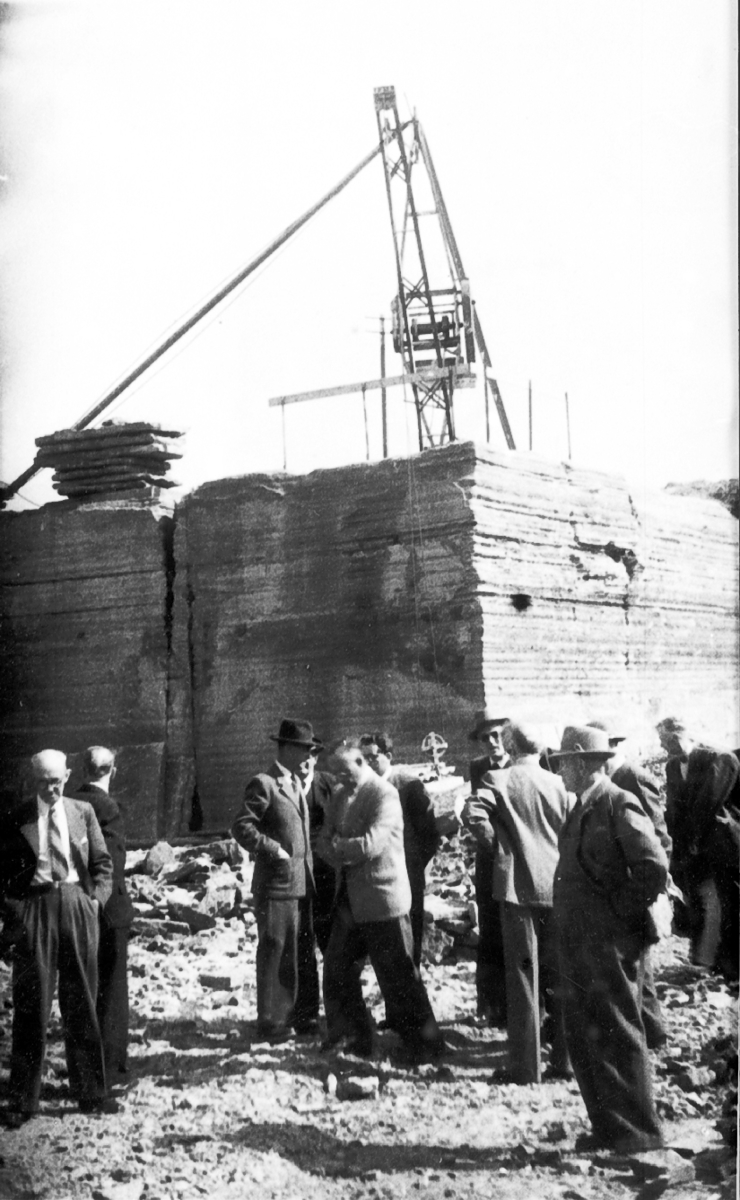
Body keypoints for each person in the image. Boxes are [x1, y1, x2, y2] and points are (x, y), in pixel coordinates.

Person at [551, 726, 667, 1153]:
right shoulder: (583, 804)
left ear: (583, 762)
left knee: (617, 1031)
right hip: (582, 942)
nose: (560, 771)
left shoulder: (617, 801)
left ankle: (639, 1135)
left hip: (609, 943)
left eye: (564, 763)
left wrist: (618, 914)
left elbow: (653, 866)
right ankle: (609, 1128)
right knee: (588, 1034)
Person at [0, 749, 117, 1127]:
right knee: (31, 1006)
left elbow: (103, 863)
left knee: (82, 1001)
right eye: (42, 782)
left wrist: (94, 902)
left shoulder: (83, 812)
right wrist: (17, 913)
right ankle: (23, 1100)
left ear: (67, 776)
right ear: (31, 780)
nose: (50, 789)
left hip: (77, 906)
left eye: (56, 781)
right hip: (35, 909)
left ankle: (91, 1093)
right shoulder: (16, 818)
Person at [317, 744, 444, 1063]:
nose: (339, 778)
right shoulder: (340, 795)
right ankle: (353, 1035)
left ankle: (425, 1045)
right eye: (335, 773)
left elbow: (370, 845)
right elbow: (323, 841)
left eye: (344, 771)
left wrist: (339, 847)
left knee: (399, 976)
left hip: (383, 899)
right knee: (337, 968)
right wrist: (339, 848)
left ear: (361, 761)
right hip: (351, 899)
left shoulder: (384, 794)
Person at [469, 722, 571, 1084]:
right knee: (560, 975)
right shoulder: (560, 784)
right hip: (557, 887)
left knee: (523, 977)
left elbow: (472, 814)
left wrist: (499, 849)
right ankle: (565, 1060)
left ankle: (526, 1067)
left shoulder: (498, 780)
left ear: (511, 747)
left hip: (516, 890)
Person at [231, 718, 320, 1043]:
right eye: (304, 749)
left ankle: (296, 1016)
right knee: (275, 951)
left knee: (297, 952)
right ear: (287, 748)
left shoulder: (295, 783)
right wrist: (273, 849)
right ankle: (272, 1023)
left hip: (300, 883)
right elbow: (241, 826)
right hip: (276, 885)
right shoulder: (265, 783)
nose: (309, 755)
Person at [588, 721, 670, 1048]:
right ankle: (651, 1031)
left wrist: (649, 889)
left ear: (613, 747)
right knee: (635, 966)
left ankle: (650, 1034)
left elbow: (659, 837)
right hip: (623, 887)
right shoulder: (610, 781)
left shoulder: (633, 778)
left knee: (639, 964)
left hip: (638, 887)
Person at [656, 716, 740, 979]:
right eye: (661, 741)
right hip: (692, 848)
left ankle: (730, 968)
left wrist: (689, 842)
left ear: (682, 735)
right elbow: (674, 808)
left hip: (721, 846)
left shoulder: (719, 759)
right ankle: (706, 961)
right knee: (701, 904)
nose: (663, 746)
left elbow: (707, 806)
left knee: (728, 904)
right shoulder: (673, 766)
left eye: (666, 740)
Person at [75, 746, 135, 1082]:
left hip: (76, 906)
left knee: (81, 990)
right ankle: (110, 1069)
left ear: (82, 769)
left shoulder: (68, 802)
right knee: (112, 991)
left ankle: (83, 1070)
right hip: (107, 910)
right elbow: (111, 865)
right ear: (113, 771)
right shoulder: (108, 807)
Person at [359, 732, 440, 966]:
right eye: (363, 759)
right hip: (377, 881)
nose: (368, 764)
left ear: (389, 756)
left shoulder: (408, 786)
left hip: (407, 876)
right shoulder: (363, 789)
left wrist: (413, 866)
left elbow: (430, 835)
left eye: (373, 757)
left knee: (409, 941)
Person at [461, 709, 510, 1026]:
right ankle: (491, 1006)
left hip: (522, 858)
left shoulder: (529, 762)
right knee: (491, 930)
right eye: (485, 738)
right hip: (491, 858)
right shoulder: (479, 768)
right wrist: (493, 846)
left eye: (497, 735)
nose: (492, 742)